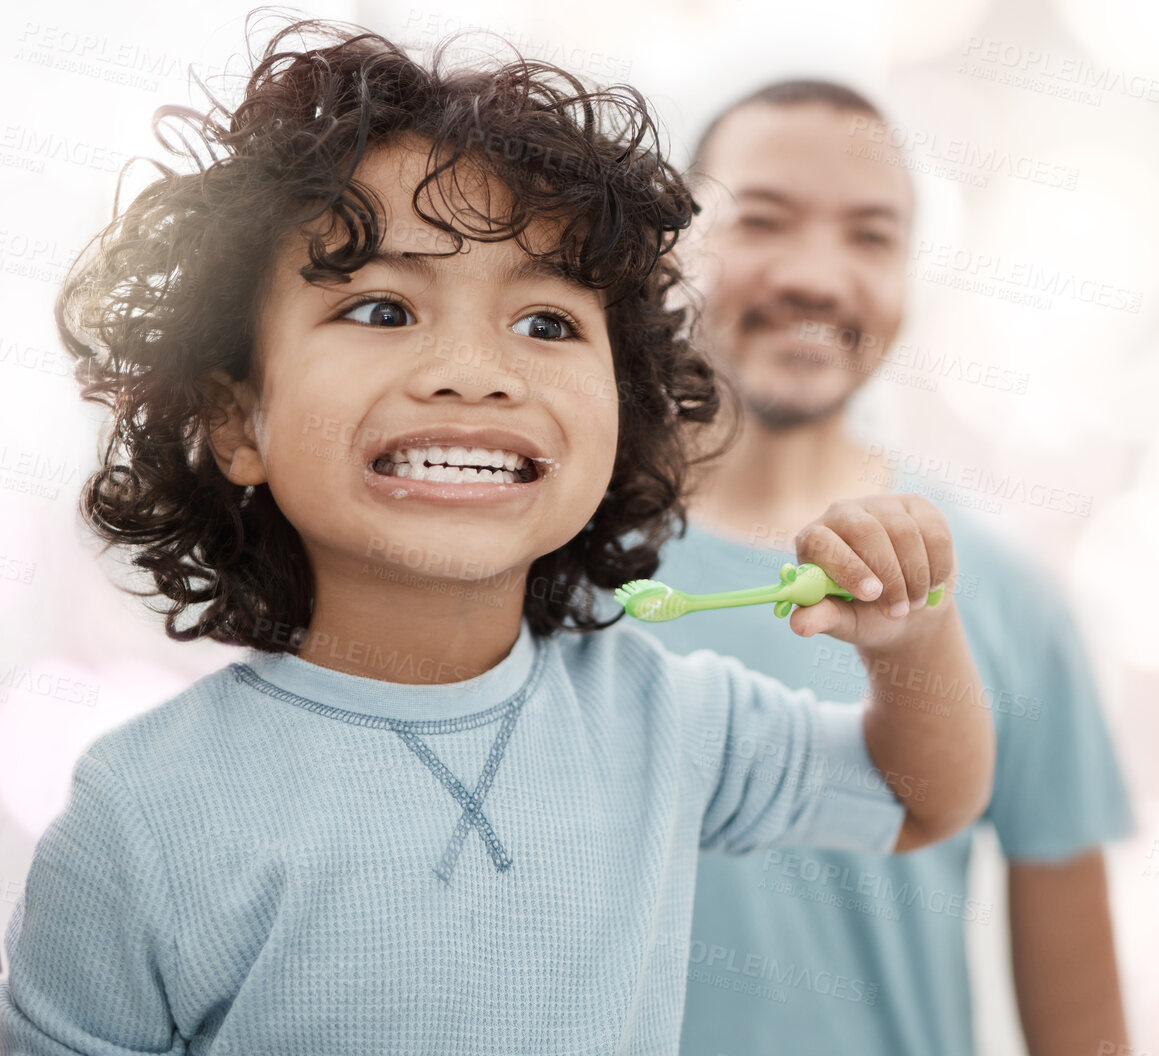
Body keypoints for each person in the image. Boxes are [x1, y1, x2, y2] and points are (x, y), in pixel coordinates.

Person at [0, 23, 994, 1055]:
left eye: (547, 325)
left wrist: (910, 642)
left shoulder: (663, 719)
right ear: (236, 420)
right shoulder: (142, 815)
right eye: (383, 308)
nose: (475, 371)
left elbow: (917, 800)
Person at [642, 80, 1135, 1055]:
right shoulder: (540, 563)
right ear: (671, 248)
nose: (817, 279)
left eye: (870, 238)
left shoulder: (1000, 598)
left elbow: (1080, 1026)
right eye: (762, 221)